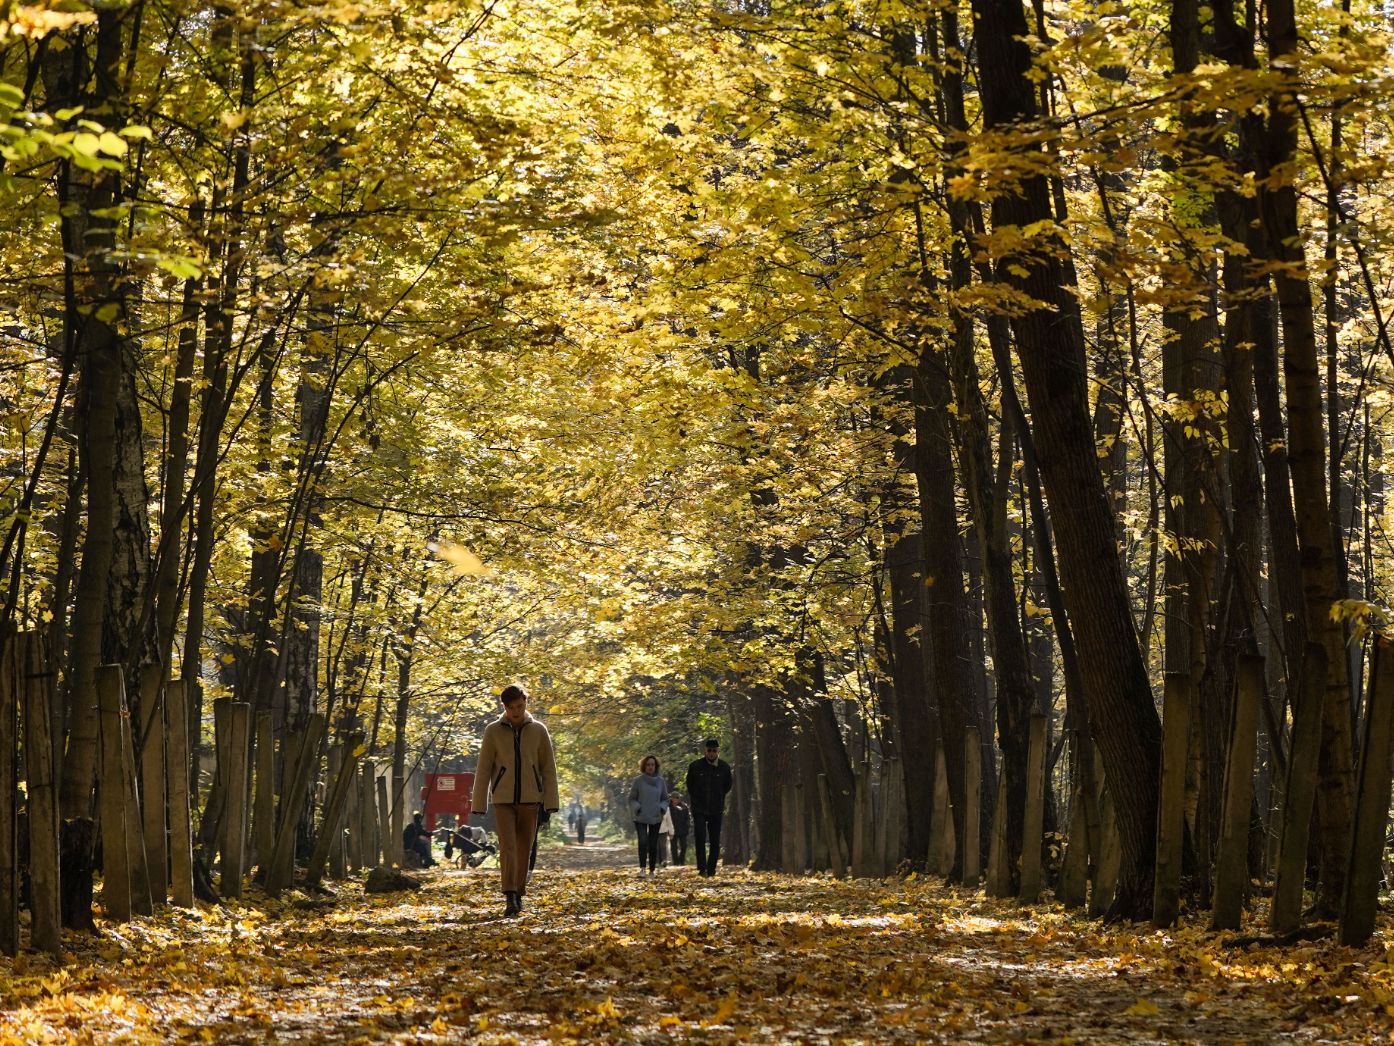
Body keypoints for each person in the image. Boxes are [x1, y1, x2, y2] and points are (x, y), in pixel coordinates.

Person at [471, 683, 560, 917]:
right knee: (508, 846)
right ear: (504, 707)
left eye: (520, 706)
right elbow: (483, 768)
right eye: (511, 708)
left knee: (524, 848)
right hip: (503, 799)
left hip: (531, 799)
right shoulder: (493, 731)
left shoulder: (539, 730)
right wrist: (479, 803)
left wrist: (551, 801)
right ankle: (509, 895)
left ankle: (519, 893)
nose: (516, 712)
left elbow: (548, 768)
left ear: (526, 702)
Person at [685, 738, 732, 877]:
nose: (711, 753)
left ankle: (711, 869)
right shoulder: (695, 766)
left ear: (718, 751)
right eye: (709, 750)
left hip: (716, 808)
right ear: (705, 750)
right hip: (699, 808)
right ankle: (702, 867)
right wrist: (696, 799)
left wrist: (719, 797)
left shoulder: (724, 767)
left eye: (714, 750)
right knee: (700, 836)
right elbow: (690, 785)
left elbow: (727, 785)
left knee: (715, 840)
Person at [629, 755, 669, 876]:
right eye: (648, 765)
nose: (650, 767)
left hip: (655, 816)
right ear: (644, 766)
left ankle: (652, 869)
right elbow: (632, 798)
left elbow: (665, 799)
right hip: (641, 816)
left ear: (656, 766)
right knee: (643, 841)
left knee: (653, 843)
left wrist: (661, 808)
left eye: (652, 765)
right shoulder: (638, 781)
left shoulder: (660, 781)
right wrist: (637, 808)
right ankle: (642, 868)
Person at [669, 792, 690, 866]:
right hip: (672, 829)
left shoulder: (684, 806)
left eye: (678, 797)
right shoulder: (668, 807)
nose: (677, 799)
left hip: (682, 829)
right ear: (672, 798)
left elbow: (688, 817)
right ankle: (676, 862)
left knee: (684, 846)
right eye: (675, 797)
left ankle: (682, 861)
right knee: (674, 847)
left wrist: (687, 826)